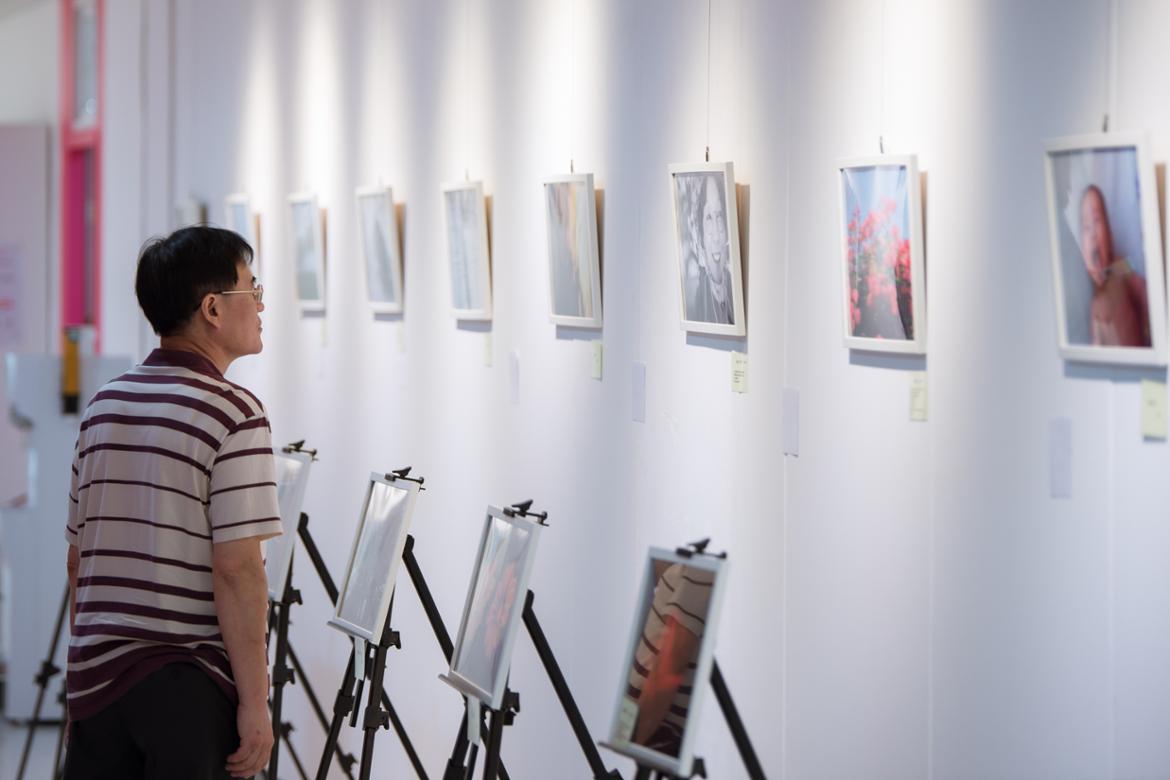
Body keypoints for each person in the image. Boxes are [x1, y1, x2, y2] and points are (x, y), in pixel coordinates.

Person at [62, 226, 282, 779]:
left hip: (97, 680)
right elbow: (237, 570)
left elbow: (78, 560)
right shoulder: (234, 414)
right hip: (186, 687)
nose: (260, 304)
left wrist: (76, 689)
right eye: (252, 289)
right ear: (213, 308)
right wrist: (256, 703)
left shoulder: (103, 406)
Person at [624, 562, 715, 757]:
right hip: (648, 726)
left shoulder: (702, 571)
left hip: (653, 732)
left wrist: (631, 746)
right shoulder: (696, 570)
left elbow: (670, 667)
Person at [1078, 184, 1150, 347]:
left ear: (1110, 234)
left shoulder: (1119, 266)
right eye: (1086, 227)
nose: (1093, 233)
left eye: (1097, 220)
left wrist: (1148, 328)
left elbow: (1143, 289)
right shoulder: (1086, 292)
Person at [683, 175, 734, 325]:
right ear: (701, 237)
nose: (717, 236)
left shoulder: (735, 289)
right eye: (709, 218)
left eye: (719, 216)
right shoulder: (695, 303)